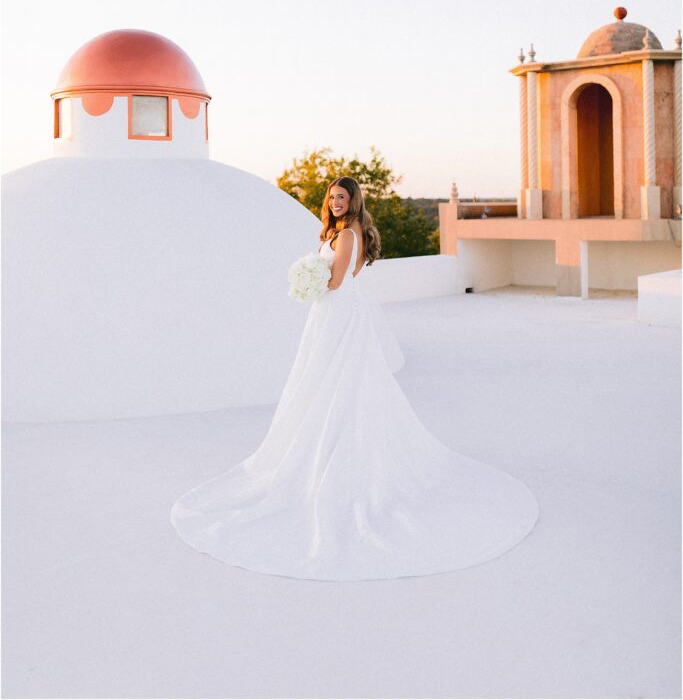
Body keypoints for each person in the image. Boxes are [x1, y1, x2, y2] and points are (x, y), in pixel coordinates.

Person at [170, 176, 539, 580]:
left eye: (342, 197)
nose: (336, 202)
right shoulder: (334, 230)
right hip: (331, 311)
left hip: (336, 309)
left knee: (337, 376)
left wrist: (310, 282)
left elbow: (338, 279)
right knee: (322, 377)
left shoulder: (347, 235)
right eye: (332, 197)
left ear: (353, 200)